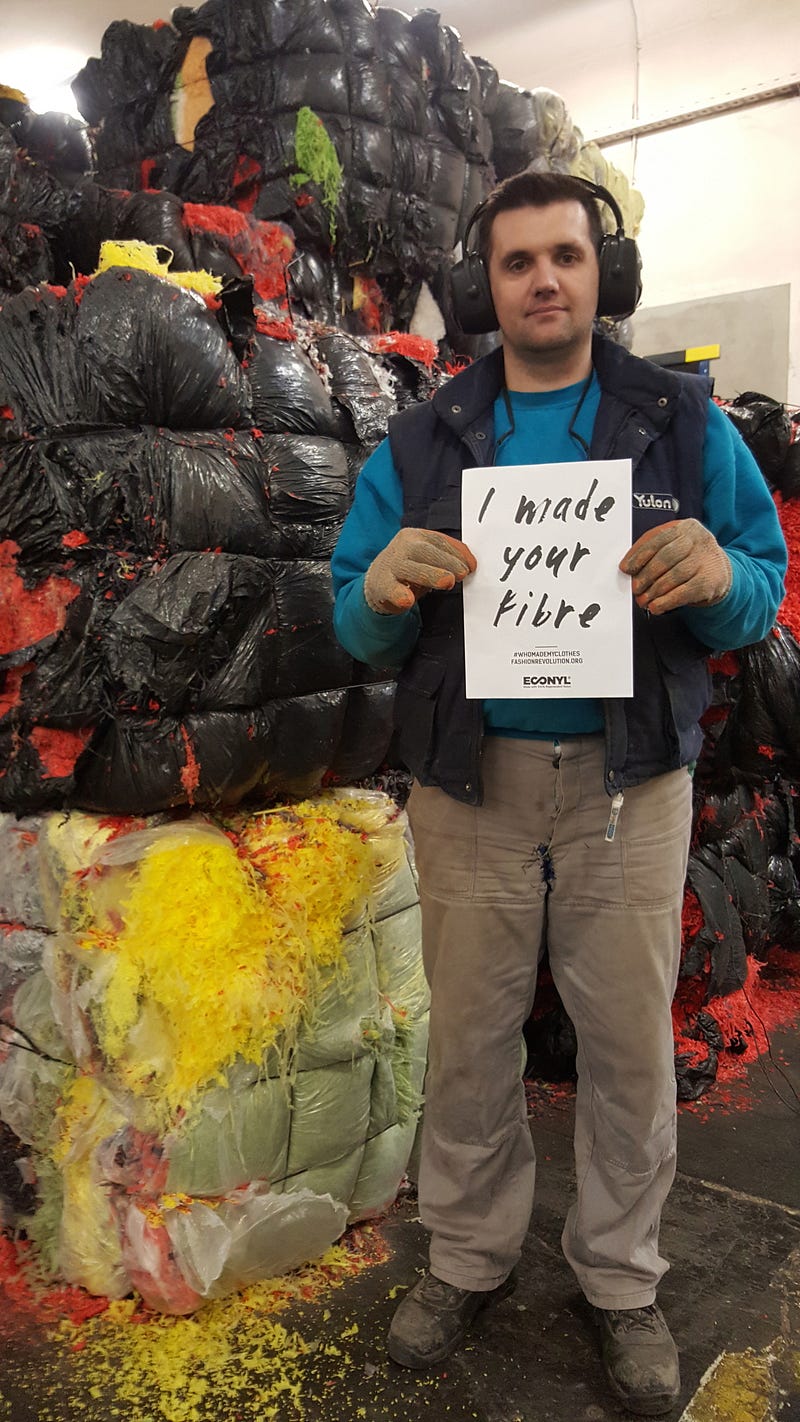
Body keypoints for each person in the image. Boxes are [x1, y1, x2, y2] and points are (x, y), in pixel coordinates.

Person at [331, 170, 787, 1416]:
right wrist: (377, 589)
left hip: (628, 788)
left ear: (603, 275)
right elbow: (353, 620)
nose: (543, 280)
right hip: (467, 787)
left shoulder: (683, 425)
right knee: (469, 1043)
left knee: (628, 1049)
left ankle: (622, 1280)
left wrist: (717, 574)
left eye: (565, 257)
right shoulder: (422, 438)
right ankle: (466, 1258)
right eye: (517, 260)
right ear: (484, 285)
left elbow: (757, 587)